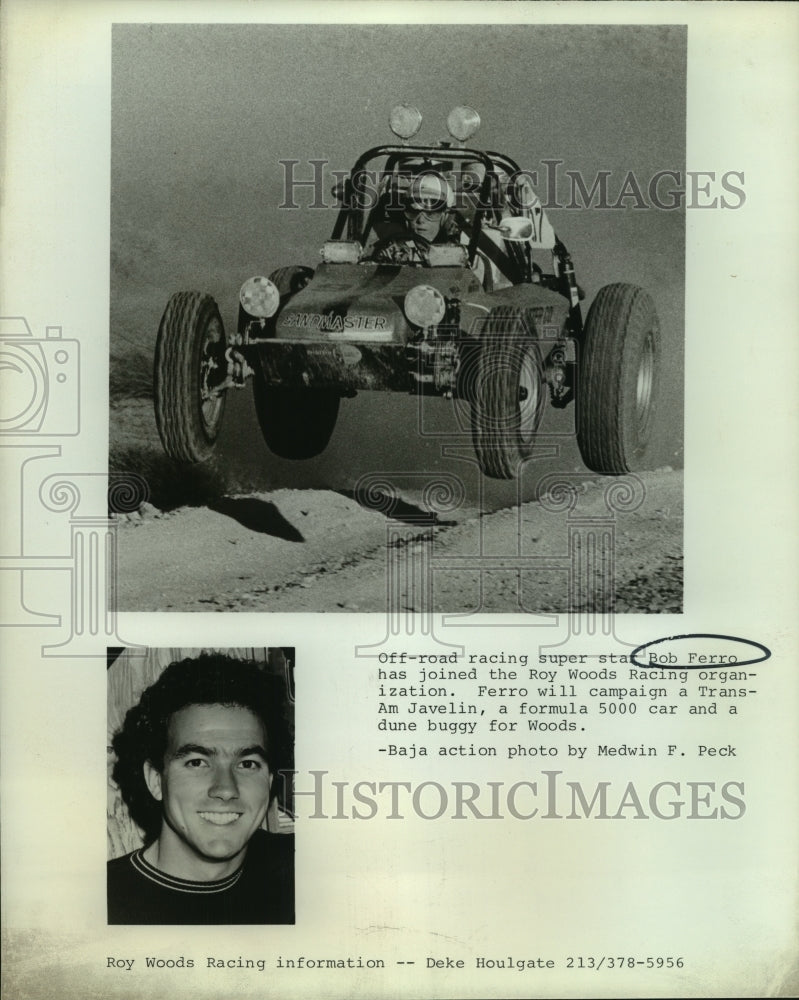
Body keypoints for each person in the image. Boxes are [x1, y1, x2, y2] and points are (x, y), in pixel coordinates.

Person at [107, 653, 294, 924]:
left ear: (269, 781)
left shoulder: (305, 870)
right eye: (197, 762)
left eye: (247, 764)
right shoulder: (101, 900)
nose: (226, 789)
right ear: (156, 780)